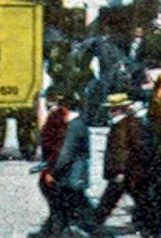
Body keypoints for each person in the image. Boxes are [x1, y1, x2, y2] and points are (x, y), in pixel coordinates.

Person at [94, 92, 161, 237]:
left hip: (127, 172)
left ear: (122, 108)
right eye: (110, 109)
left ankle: (93, 226)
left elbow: (125, 150)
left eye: (113, 108)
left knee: (115, 200)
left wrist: (120, 170)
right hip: (128, 172)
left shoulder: (128, 125)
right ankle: (156, 227)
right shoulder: (122, 123)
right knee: (139, 201)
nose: (110, 111)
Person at [47, 88, 98, 237]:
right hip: (76, 179)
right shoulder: (78, 124)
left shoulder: (72, 127)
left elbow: (64, 154)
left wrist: (51, 170)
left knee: (69, 218)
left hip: (69, 180)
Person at [29, 93, 73, 238]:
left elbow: (58, 148)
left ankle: (50, 233)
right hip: (56, 170)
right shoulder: (57, 117)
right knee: (60, 207)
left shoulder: (57, 117)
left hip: (55, 171)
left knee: (59, 207)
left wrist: (50, 171)